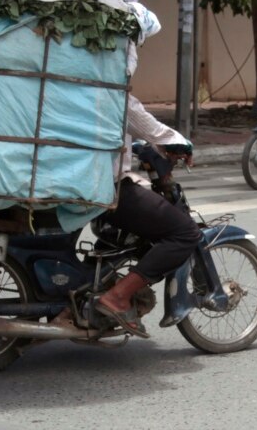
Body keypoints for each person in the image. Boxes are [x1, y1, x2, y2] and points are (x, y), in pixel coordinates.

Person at [82, 95, 202, 338]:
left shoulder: (68, 82)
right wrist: (178, 142)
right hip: (105, 186)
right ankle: (117, 296)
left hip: (74, 181)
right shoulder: (106, 83)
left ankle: (88, 287)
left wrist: (142, 144)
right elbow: (137, 117)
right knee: (185, 232)